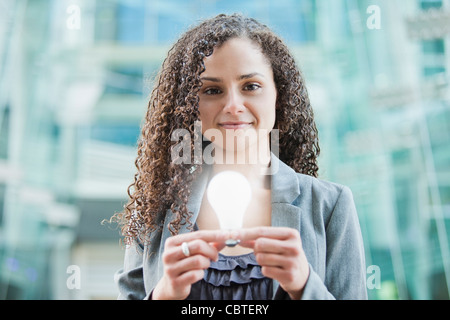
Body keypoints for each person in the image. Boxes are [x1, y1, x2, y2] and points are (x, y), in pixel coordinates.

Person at [112, 13, 367, 300]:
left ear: (278, 94)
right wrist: (164, 295)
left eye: (250, 86)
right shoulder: (155, 210)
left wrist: (305, 285)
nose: (233, 105)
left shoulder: (329, 206)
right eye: (212, 90)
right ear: (190, 106)